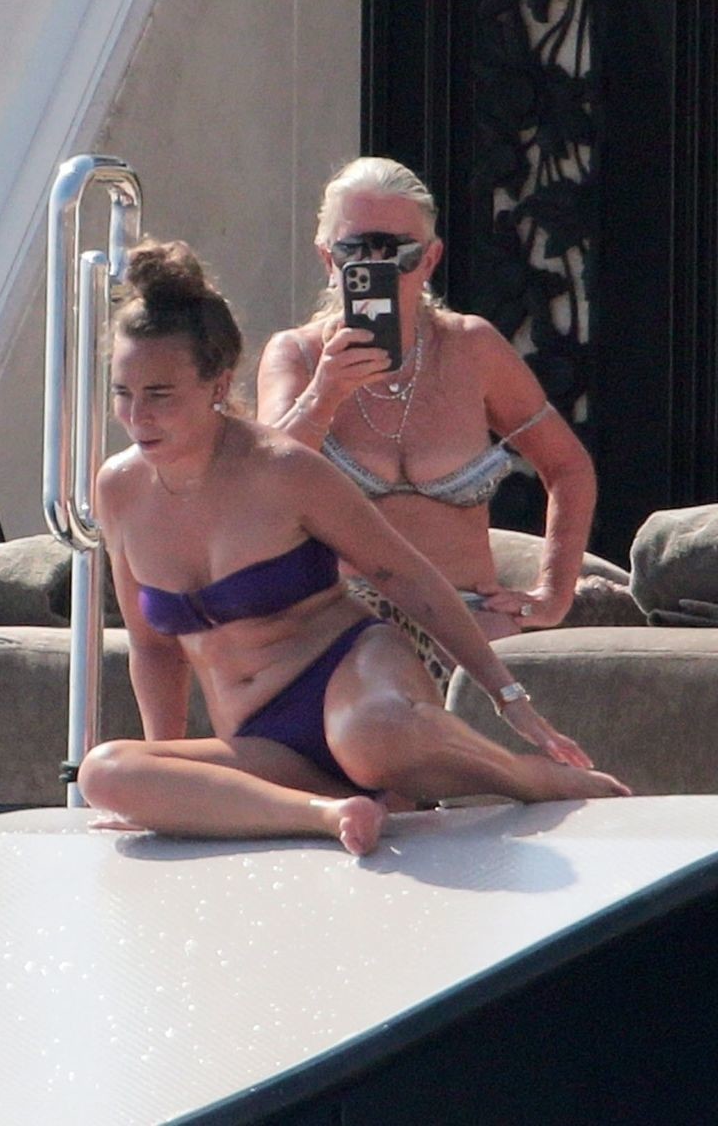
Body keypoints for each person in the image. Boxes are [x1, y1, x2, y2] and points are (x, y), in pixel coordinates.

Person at [76, 241, 626, 858]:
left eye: (159, 394)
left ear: (218, 384)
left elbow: (407, 576)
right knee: (106, 773)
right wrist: (169, 781)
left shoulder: (283, 469)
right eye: (123, 393)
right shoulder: (118, 489)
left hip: (353, 676)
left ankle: (524, 778)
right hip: (263, 742)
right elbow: (153, 647)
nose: (137, 416)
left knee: (368, 734)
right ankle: (335, 811)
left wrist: (508, 697)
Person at [257, 157, 595, 679]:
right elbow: (260, 486)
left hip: (469, 622)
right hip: (344, 626)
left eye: (400, 251)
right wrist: (323, 395)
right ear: (328, 258)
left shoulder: (471, 347)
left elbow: (568, 467)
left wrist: (552, 594)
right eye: (356, 250)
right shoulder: (298, 356)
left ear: (431, 259)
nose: (380, 265)